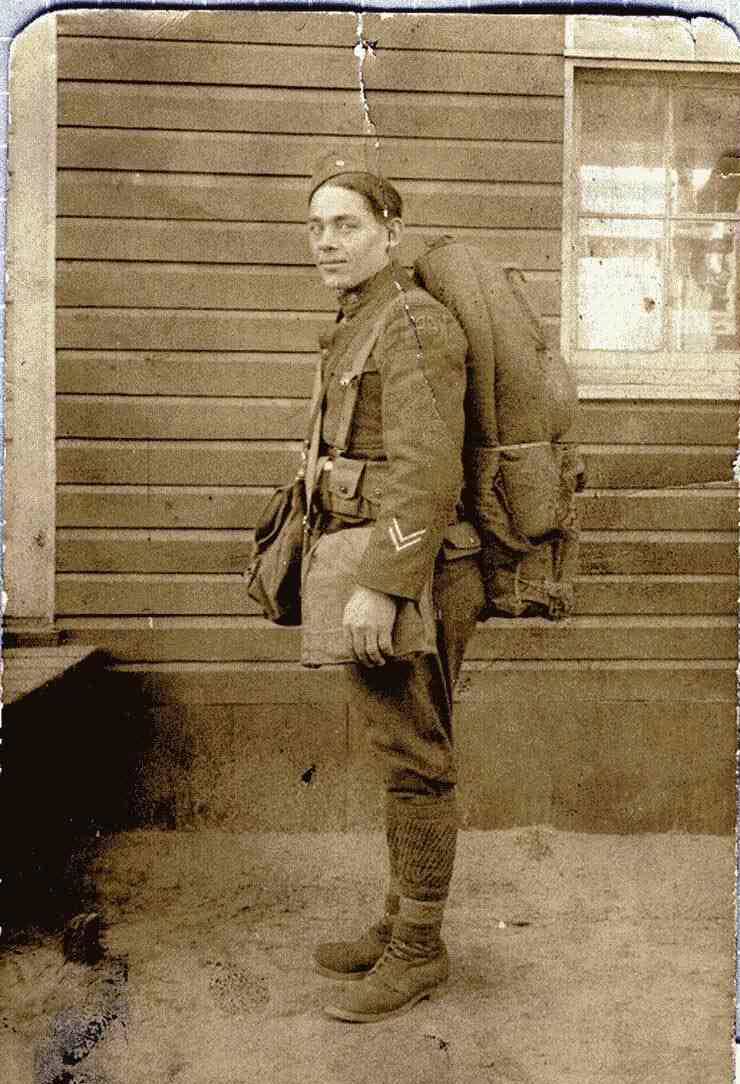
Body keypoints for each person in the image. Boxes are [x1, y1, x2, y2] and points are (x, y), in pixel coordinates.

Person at [305, 147, 485, 1022]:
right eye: (316, 227)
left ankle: (419, 951)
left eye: (347, 225)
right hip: (389, 560)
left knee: (416, 758)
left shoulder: (413, 324)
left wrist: (381, 586)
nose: (326, 241)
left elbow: (428, 472)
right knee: (400, 751)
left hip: (417, 572)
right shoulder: (364, 317)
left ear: (390, 233)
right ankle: (397, 924)